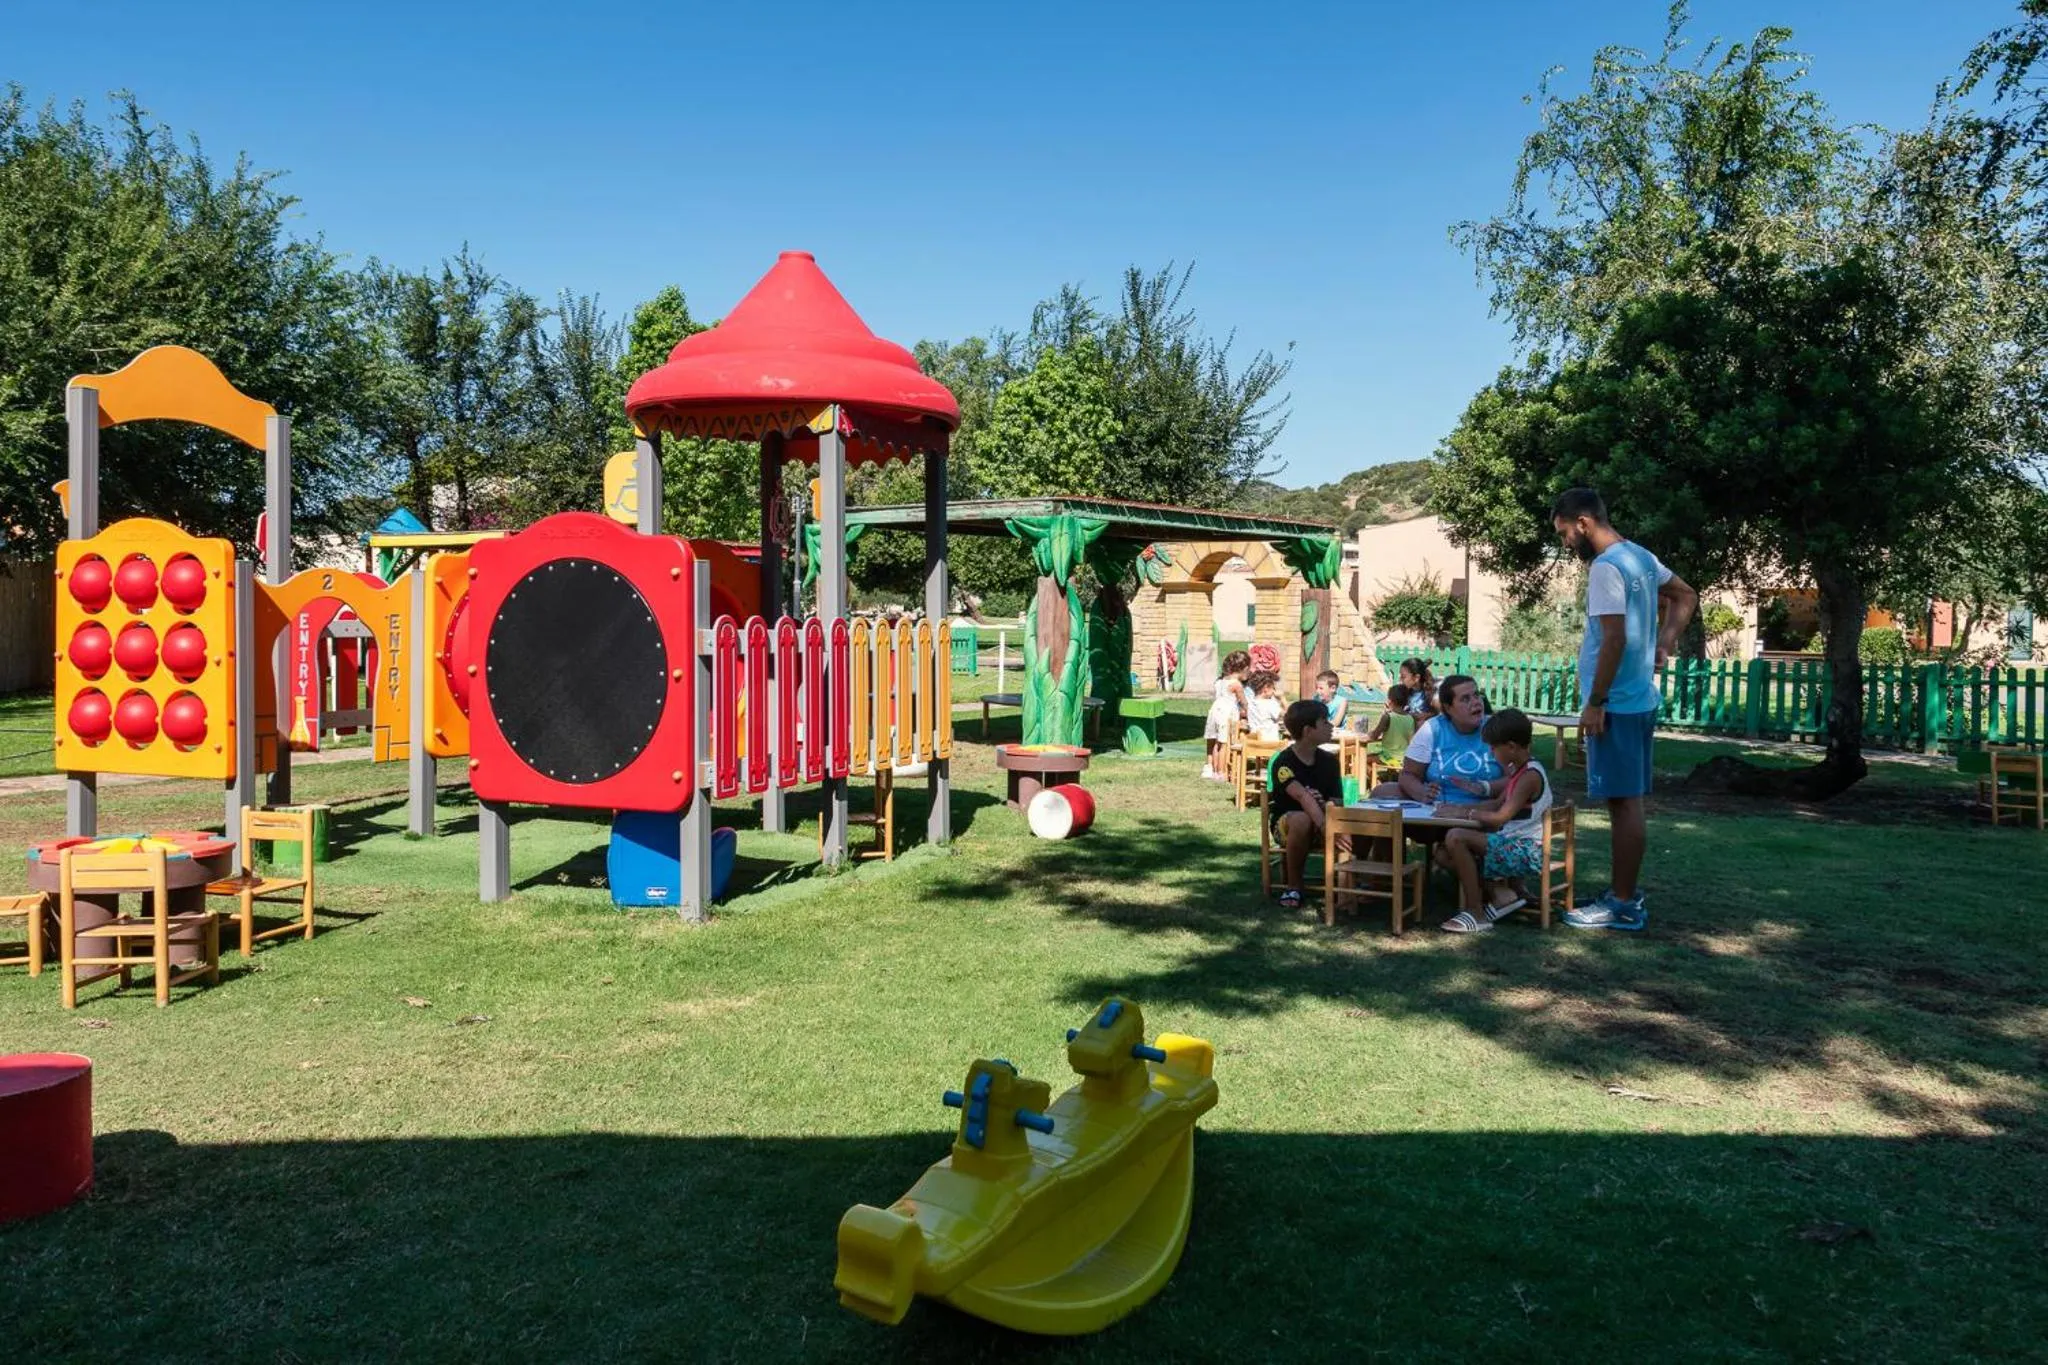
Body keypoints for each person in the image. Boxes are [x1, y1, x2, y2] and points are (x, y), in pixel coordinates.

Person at [1550, 488, 1696, 931]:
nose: (1565, 543)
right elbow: (1685, 595)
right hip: (1637, 699)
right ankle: (1621, 893)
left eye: (1564, 533)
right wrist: (1665, 642)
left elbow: (1614, 639)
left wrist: (1595, 703)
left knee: (1624, 803)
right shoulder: (1641, 558)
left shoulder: (1606, 568)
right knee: (1624, 800)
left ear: (1583, 523)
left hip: (1617, 704)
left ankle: (1624, 904)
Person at [1434, 708, 1552, 934]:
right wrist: (1457, 809)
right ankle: (1501, 894)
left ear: (1511, 747)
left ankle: (1475, 912)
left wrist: (1465, 815)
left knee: (1456, 837)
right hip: (1512, 843)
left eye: (1493, 747)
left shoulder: (1530, 776)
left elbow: (1500, 817)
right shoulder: (1520, 771)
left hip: (1524, 851)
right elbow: (1496, 804)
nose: (1490, 752)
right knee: (1442, 853)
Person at [1267, 699, 1344, 911]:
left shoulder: (1330, 761)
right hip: (1288, 825)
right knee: (1301, 819)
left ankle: (1355, 883)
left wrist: (1324, 804)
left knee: (1363, 821)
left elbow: (1337, 802)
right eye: (1324, 722)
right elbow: (1301, 796)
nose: (1331, 726)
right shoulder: (1284, 762)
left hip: (1323, 820)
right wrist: (1326, 826)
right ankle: (1293, 887)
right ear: (1308, 730)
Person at [1395, 675, 1503, 808]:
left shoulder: (1497, 728)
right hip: (1437, 809)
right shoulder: (1432, 729)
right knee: (1383, 791)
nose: (1476, 702)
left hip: (1485, 810)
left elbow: (1518, 778)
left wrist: (1484, 788)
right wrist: (1422, 792)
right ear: (1448, 708)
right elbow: (1408, 775)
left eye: (1476, 695)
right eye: (1465, 699)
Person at [1202, 650, 1253, 781]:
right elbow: (1244, 703)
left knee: (1216, 742)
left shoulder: (1220, 681)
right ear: (1244, 669)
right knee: (1224, 743)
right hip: (1226, 714)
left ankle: (1214, 770)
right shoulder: (1236, 685)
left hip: (1214, 711)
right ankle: (1222, 772)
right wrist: (1249, 714)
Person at [1359, 684, 1418, 771]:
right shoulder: (1411, 718)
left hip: (1388, 757)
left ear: (1389, 701)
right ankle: (1387, 776)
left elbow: (1374, 736)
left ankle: (1374, 778)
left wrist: (1369, 733)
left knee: (1362, 759)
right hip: (1404, 758)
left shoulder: (1388, 717)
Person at [1246, 671, 1285, 741]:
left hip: (1254, 743)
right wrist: (1282, 698)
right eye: (1273, 688)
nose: (1274, 691)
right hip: (1270, 744)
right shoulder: (1269, 704)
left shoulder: (1251, 703)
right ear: (1266, 688)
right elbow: (1289, 715)